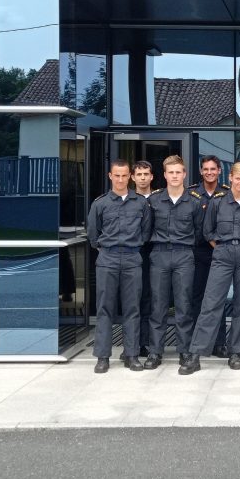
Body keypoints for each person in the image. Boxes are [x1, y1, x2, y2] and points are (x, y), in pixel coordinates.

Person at [180, 163, 240, 375]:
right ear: (230, 179)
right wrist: (224, 248)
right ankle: (196, 354)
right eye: (238, 179)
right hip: (223, 253)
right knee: (211, 303)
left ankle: (236, 352)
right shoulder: (217, 202)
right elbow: (208, 232)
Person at [87, 159, 153, 373]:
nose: (121, 179)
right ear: (110, 176)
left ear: (130, 177)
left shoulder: (140, 203)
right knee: (105, 308)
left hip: (133, 258)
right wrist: (107, 249)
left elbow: (145, 232)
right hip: (108, 259)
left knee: (132, 308)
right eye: (117, 175)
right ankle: (103, 357)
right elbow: (93, 235)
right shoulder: (100, 203)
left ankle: (132, 355)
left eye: (125, 175)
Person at [143, 156, 204, 369]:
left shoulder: (195, 201)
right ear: (165, 174)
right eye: (171, 172)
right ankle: (155, 352)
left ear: (185, 174)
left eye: (179, 172)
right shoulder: (154, 200)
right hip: (159, 254)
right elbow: (146, 229)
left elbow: (199, 232)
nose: (175, 176)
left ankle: (185, 351)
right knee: (158, 305)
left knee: (183, 305)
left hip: (184, 255)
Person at [189, 155, 229, 358]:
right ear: (201, 171)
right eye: (206, 169)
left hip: (220, 252)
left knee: (218, 299)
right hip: (198, 253)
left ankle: (219, 343)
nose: (210, 172)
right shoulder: (192, 194)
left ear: (220, 171)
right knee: (197, 299)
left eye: (213, 169)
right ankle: (198, 344)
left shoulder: (227, 194)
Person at [129, 160, 156, 359]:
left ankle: (146, 343)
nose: (143, 178)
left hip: (154, 253)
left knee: (150, 298)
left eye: (146, 174)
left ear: (152, 176)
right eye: (139, 174)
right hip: (133, 253)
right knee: (132, 300)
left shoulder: (158, 198)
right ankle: (132, 344)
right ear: (133, 177)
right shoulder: (127, 199)